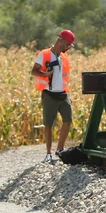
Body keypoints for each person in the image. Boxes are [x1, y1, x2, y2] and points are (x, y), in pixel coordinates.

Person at [31, 29, 75, 163]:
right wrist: (46, 74)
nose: (68, 48)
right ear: (61, 42)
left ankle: (59, 150)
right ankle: (48, 154)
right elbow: (34, 71)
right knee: (48, 125)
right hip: (49, 94)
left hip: (63, 93)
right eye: (68, 45)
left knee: (68, 120)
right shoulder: (44, 54)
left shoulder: (64, 56)